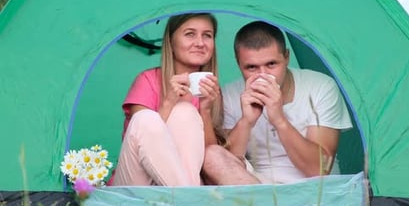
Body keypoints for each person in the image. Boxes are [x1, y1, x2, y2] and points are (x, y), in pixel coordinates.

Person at [204, 21, 352, 185]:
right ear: (238, 63)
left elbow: (319, 169)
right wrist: (246, 122)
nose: (263, 75)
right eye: (252, 67)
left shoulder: (321, 86)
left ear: (286, 57)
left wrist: (279, 120)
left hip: (314, 189)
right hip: (258, 187)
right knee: (212, 156)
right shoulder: (230, 94)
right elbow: (225, 168)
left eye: (271, 64)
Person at [112, 13, 226, 186]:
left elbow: (210, 159)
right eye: (190, 34)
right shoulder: (147, 80)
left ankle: (182, 203)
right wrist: (169, 102)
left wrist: (205, 110)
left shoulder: (211, 91)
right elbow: (139, 137)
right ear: (171, 42)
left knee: (185, 112)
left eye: (207, 35)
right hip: (137, 183)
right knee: (146, 117)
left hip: (184, 184)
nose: (200, 43)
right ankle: (187, 203)